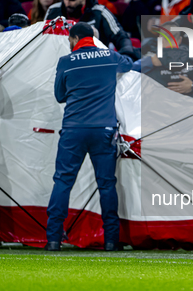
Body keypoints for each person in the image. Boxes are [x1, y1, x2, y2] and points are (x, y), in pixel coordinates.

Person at [46, 22, 134, 252]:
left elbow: (59, 95)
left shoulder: (66, 62)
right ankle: (111, 241)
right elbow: (130, 62)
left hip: (73, 130)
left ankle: (53, 240)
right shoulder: (109, 56)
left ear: (74, 39)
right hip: (103, 130)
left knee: (63, 182)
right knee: (106, 185)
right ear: (93, 38)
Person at [45, 0, 138, 60]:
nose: (67, 4)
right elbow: (44, 39)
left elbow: (121, 37)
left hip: (95, 63)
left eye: (72, 0)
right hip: (60, 63)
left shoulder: (100, 12)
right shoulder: (53, 11)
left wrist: (126, 56)